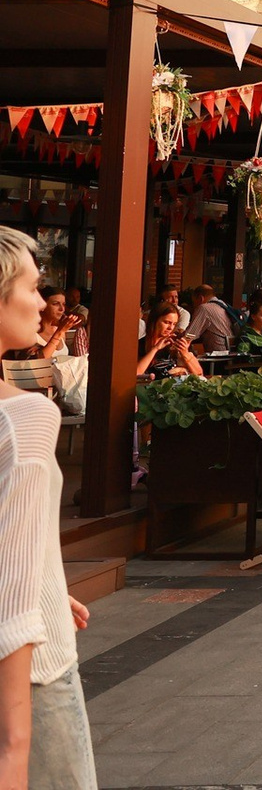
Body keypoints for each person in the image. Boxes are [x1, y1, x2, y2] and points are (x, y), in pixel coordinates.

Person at [0, 231, 97, 786]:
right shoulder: (27, 417)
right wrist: (13, 750)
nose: (42, 303)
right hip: (31, 674)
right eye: (33, 288)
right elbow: (11, 611)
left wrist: (45, 578)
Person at [135, 307, 203, 379]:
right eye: (167, 322)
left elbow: (199, 373)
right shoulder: (141, 344)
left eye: (174, 324)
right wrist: (155, 349)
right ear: (155, 321)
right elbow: (136, 373)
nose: (170, 328)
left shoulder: (178, 341)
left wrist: (185, 353)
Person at [181, 283, 236, 356]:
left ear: (200, 298)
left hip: (218, 356)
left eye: (194, 303)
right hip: (231, 353)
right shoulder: (223, 305)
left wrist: (178, 338)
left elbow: (190, 335)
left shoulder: (204, 308)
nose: (194, 307)